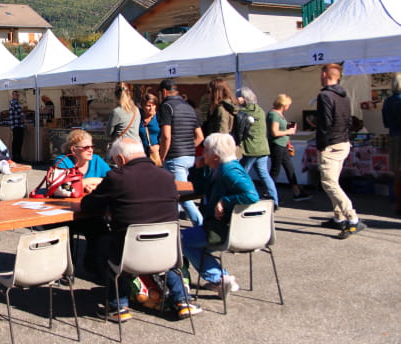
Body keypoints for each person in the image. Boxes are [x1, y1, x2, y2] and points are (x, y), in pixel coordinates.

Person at [81, 137, 201, 322]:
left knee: (103, 242)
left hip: (131, 253)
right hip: (167, 250)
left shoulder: (116, 178)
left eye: (115, 161)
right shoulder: (167, 177)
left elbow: (88, 205)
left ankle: (118, 306)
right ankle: (182, 300)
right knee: (163, 258)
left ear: (120, 158)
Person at [181, 133, 259, 296]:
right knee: (190, 239)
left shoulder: (228, 171)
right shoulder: (222, 168)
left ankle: (219, 279)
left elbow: (251, 195)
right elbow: (202, 188)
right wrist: (199, 168)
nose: (202, 153)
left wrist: (224, 201)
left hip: (222, 230)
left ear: (215, 156)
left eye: (205, 150)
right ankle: (220, 278)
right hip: (230, 229)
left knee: (180, 240)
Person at [317, 63, 366, 238]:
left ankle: (352, 218)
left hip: (331, 144)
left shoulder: (325, 95)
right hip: (343, 142)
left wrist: (322, 145)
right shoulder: (344, 96)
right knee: (334, 182)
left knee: (329, 183)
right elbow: (347, 120)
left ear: (325, 75)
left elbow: (325, 123)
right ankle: (338, 217)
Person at [54, 129, 112, 274]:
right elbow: (61, 187)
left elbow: (111, 180)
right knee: (65, 232)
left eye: (92, 146)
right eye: (86, 147)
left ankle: (95, 266)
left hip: (90, 210)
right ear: (74, 149)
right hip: (66, 211)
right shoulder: (63, 161)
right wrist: (87, 182)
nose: (91, 150)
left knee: (102, 232)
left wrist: (86, 183)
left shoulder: (97, 161)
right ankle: (66, 270)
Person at [157, 79, 204, 226]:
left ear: (164, 92)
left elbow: (166, 136)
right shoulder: (189, 107)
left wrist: (162, 156)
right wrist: (189, 148)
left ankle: (202, 228)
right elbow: (200, 136)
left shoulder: (166, 106)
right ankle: (172, 224)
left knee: (184, 198)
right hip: (189, 156)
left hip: (174, 157)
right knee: (176, 195)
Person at [236, 87, 277, 208]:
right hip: (263, 147)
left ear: (242, 99)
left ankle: (248, 197)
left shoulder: (243, 113)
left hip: (251, 148)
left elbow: (240, 132)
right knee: (264, 174)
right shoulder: (260, 110)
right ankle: (275, 200)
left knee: (242, 174)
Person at [267, 94, 310, 201]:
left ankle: (296, 191)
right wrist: (289, 131)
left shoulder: (279, 114)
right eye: (288, 105)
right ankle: (269, 193)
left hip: (283, 144)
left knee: (289, 168)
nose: (289, 107)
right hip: (277, 145)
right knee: (275, 170)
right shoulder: (274, 115)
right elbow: (274, 132)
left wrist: (287, 127)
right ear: (284, 105)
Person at [203, 78, 241, 155]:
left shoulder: (220, 108)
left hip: (222, 150)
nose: (208, 94)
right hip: (232, 148)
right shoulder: (231, 105)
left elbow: (222, 131)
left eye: (209, 91)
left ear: (215, 92)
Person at [383, 73, 401, 215]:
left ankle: (399, 205)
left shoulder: (388, 101)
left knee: (397, 174)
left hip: (394, 137)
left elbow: (386, 123)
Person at [139, 93, 161, 165]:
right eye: (148, 105)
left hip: (155, 154)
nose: (151, 108)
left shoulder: (159, 117)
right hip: (140, 155)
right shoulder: (138, 118)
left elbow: (166, 135)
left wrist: (159, 146)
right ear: (143, 106)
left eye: (153, 105)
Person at [9, 90, 25, 162]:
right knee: (18, 141)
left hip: (15, 125)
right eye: (16, 95)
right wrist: (24, 116)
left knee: (16, 141)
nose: (18, 96)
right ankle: (17, 157)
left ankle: (15, 156)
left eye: (18, 95)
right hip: (17, 125)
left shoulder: (13, 103)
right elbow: (21, 114)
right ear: (13, 95)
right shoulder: (15, 103)